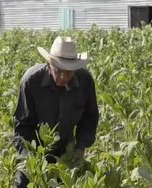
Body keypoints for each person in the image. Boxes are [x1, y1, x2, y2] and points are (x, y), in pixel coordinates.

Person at [13, 36, 99, 187]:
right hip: (34, 150)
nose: (63, 77)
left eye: (69, 72)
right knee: (24, 183)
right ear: (49, 63)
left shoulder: (84, 81)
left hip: (67, 151)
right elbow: (22, 125)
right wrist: (32, 158)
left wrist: (80, 147)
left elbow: (90, 117)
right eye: (58, 71)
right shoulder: (31, 80)